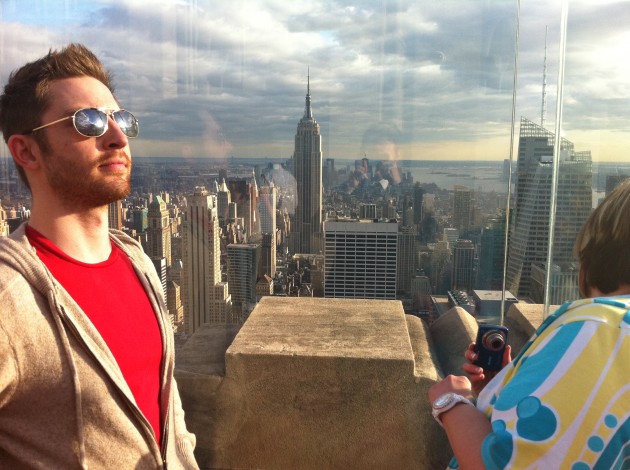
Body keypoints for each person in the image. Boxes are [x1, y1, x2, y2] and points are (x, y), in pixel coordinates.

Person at [0, 44, 198, 468]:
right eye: (87, 122)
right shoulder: (8, 298)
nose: (118, 137)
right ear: (27, 151)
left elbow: (171, 420)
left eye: (120, 118)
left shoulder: (139, 262)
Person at [429, 179, 630, 469]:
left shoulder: (600, 329)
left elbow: (504, 464)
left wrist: (451, 403)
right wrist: (502, 391)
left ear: (597, 248)